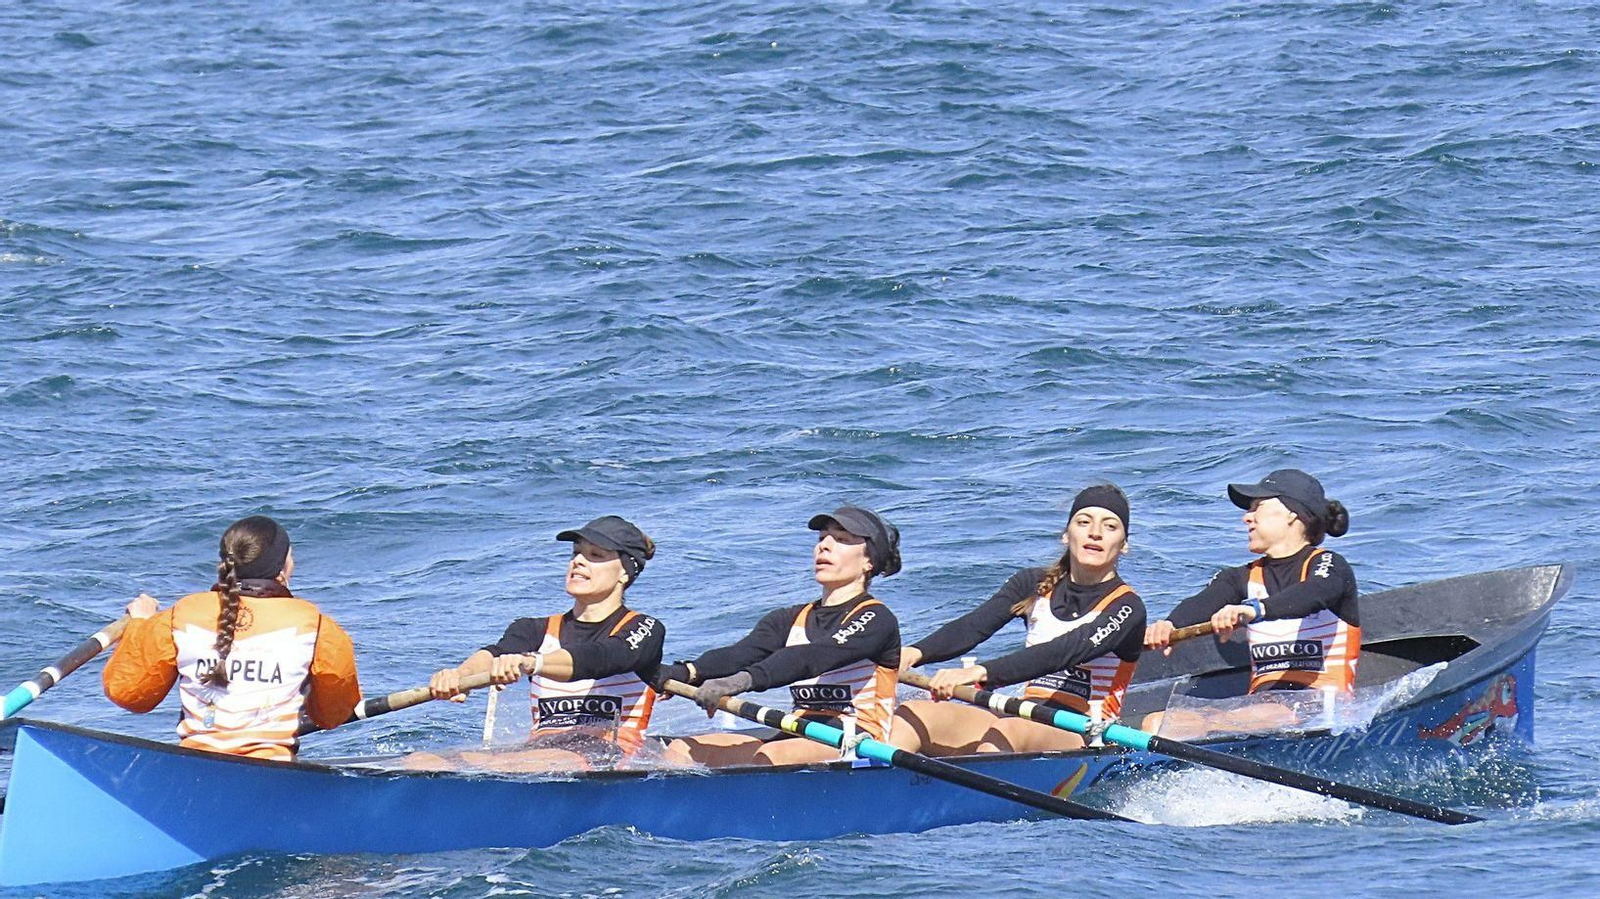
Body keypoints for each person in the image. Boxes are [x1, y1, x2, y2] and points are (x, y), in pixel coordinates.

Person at [890, 485, 1145, 756]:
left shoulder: (1127, 607)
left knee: (1008, 732)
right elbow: (974, 626)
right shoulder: (1033, 583)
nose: (1095, 533)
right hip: (1025, 715)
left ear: (1124, 544)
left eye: (1110, 526)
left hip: (1086, 731)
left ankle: (974, 796)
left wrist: (978, 672)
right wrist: (914, 653)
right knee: (913, 715)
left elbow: (1063, 651)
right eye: (1084, 522)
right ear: (1065, 534)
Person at [410, 515, 665, 772]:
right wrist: (459, 676)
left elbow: (604, 657)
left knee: (522, 765)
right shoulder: (533, 629)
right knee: (420, 762)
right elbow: (494, 654)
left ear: (624, 573)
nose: (578, 561)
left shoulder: (644, 628)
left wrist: (533, 663)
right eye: (576, 553)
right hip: (541, 749)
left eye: (595, 555)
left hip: (612, 754)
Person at [102, 516, 360, 761]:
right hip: (275, 770)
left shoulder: (180, 615)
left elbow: (128, 693)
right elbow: (333, 715)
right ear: (283, 569)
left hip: (196, 769)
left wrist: (139, 625)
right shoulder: (316, 625)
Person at [660, 506, 902, 767]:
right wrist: (684, 673)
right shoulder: (789, 618)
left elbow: (811, 658)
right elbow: (741, 654)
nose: (825, 546)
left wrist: (736, 683)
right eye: (822, 538)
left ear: (869, 561)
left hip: (859, 742)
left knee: (774, 756)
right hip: (798, 732)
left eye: (841, 539)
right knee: (682, 749)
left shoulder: (875, 619)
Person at [1143, 469, 1356, 736]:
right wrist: (1168, 625)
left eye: (1258, 507)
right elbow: (1204, 601)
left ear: (1293, 514)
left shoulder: (1328, 565)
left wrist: (1255, 610)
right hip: (1261, 708)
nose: (1247, 517)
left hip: (1323, 710)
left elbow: (1313, 593)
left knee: (1212, 722)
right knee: (1155, 724)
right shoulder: (1241, 577)